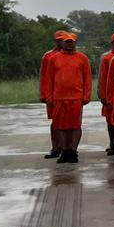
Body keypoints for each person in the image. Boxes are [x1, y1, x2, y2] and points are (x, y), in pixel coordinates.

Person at [44, 31, 93, 163]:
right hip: (58, 98)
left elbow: (87, 78)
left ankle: (73, 150)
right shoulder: (53, 58)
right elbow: (48, 79)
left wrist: (87, 95)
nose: (69, 44)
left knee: (75, 126)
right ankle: (64, 150)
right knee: (59, 126)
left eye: (72, 41)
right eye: (67, 42)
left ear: (75, 42)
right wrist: (48, 96)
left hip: (76, 98)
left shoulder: (82, 58)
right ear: (62, 43)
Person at [39, 30, 65, 158]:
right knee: (56, 122)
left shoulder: (70, 55)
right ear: (55, 41)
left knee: (70, 123)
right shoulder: (48, 56)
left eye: (63, 39)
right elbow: (44, 77)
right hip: (53, 94)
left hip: (68, 94)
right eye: (59, 39)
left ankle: (68, 148)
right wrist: (44, 94)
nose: (61, 42)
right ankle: (55, 148)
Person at [98, 33, 114, 155]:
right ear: (112, 43)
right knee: (110, 120)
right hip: (110, 94)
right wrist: (102, 94)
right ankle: (113, 143)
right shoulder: (106, 57)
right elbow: (102, 77)